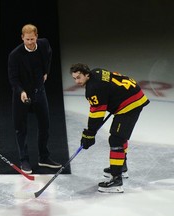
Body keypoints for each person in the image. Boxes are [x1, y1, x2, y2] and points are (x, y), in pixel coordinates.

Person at [70, 63, 149, 193]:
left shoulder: (92, 89)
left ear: (87, 74)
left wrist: (89, 134)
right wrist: (115, 99)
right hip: (133, 94)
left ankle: (116, 180)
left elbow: (97, 115)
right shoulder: (97, 72)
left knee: (116, 139)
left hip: (130, 104)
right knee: (119, 136)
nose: (77, 81)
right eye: (74, 78)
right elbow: (112, 85)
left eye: (79, 77)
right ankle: (121, 167)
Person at [8, 24, 62, 174]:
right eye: (27, 39)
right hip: (22, 93)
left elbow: (49, 57)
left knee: (45, 125)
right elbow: (13, 78)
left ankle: (44, 157)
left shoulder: (44, 44)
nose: (30, 42)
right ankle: (24, 160)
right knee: (21, 128)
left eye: (32, 39)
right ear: (22, 38)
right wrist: (21, 92)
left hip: (39, 90)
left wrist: (46, 72)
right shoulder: (15, 55)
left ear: (37, 36)